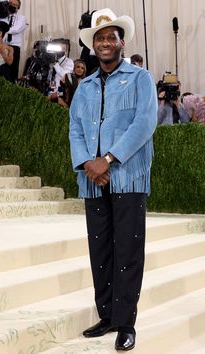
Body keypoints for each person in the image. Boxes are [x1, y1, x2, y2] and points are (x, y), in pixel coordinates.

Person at [69, 8, 158, 352]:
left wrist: (106, 160)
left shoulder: (140, 78)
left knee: (128, 250)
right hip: (93, 181)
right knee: (100, 251)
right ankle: (106, 316)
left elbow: (144, 123)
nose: (105, 42)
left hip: (127, 179)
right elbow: (75, 128)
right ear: (93, 46)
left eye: (111, 37)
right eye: (100, 38)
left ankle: (125, 323)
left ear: (122, 42)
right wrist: (88, 165)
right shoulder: (84, 86)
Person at [1, 0, 28, 82]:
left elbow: (17, 29)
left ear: (18, 7)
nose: (12, 6)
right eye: (11, 4)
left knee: (13, 70)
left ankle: (12, 86)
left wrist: (3, 29)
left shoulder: (22, 18)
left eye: (15, 5)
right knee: (2, 69)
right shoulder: (3, 17)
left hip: (15, 46)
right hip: (2, 46)